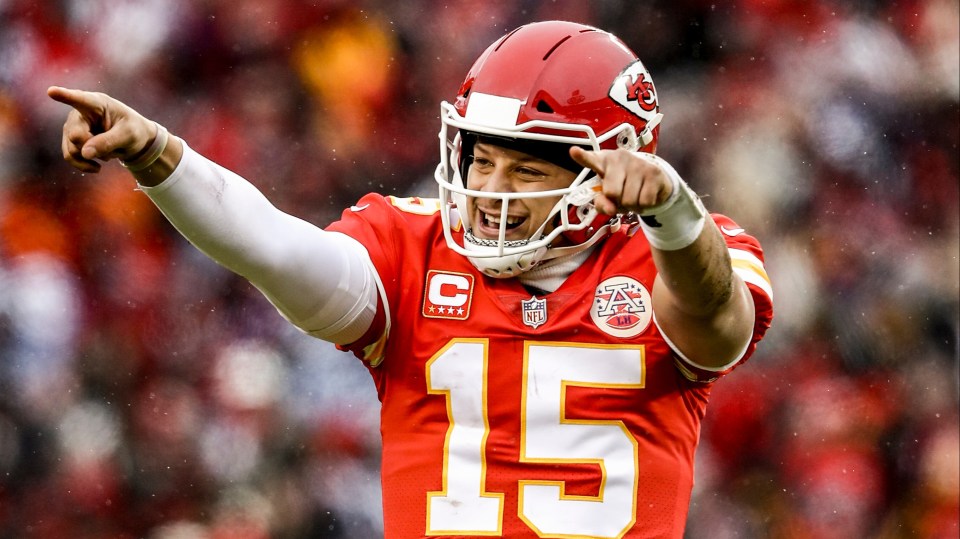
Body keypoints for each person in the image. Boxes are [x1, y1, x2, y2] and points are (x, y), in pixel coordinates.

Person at [49, 20, 773, 539]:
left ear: (612, 167)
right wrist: (159, 156)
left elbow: (718, 325)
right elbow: (276, 251)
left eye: (526, 166)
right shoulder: (410, 245)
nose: (492, 188)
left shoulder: (682, 253)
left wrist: (676, 214)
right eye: (482, 160)